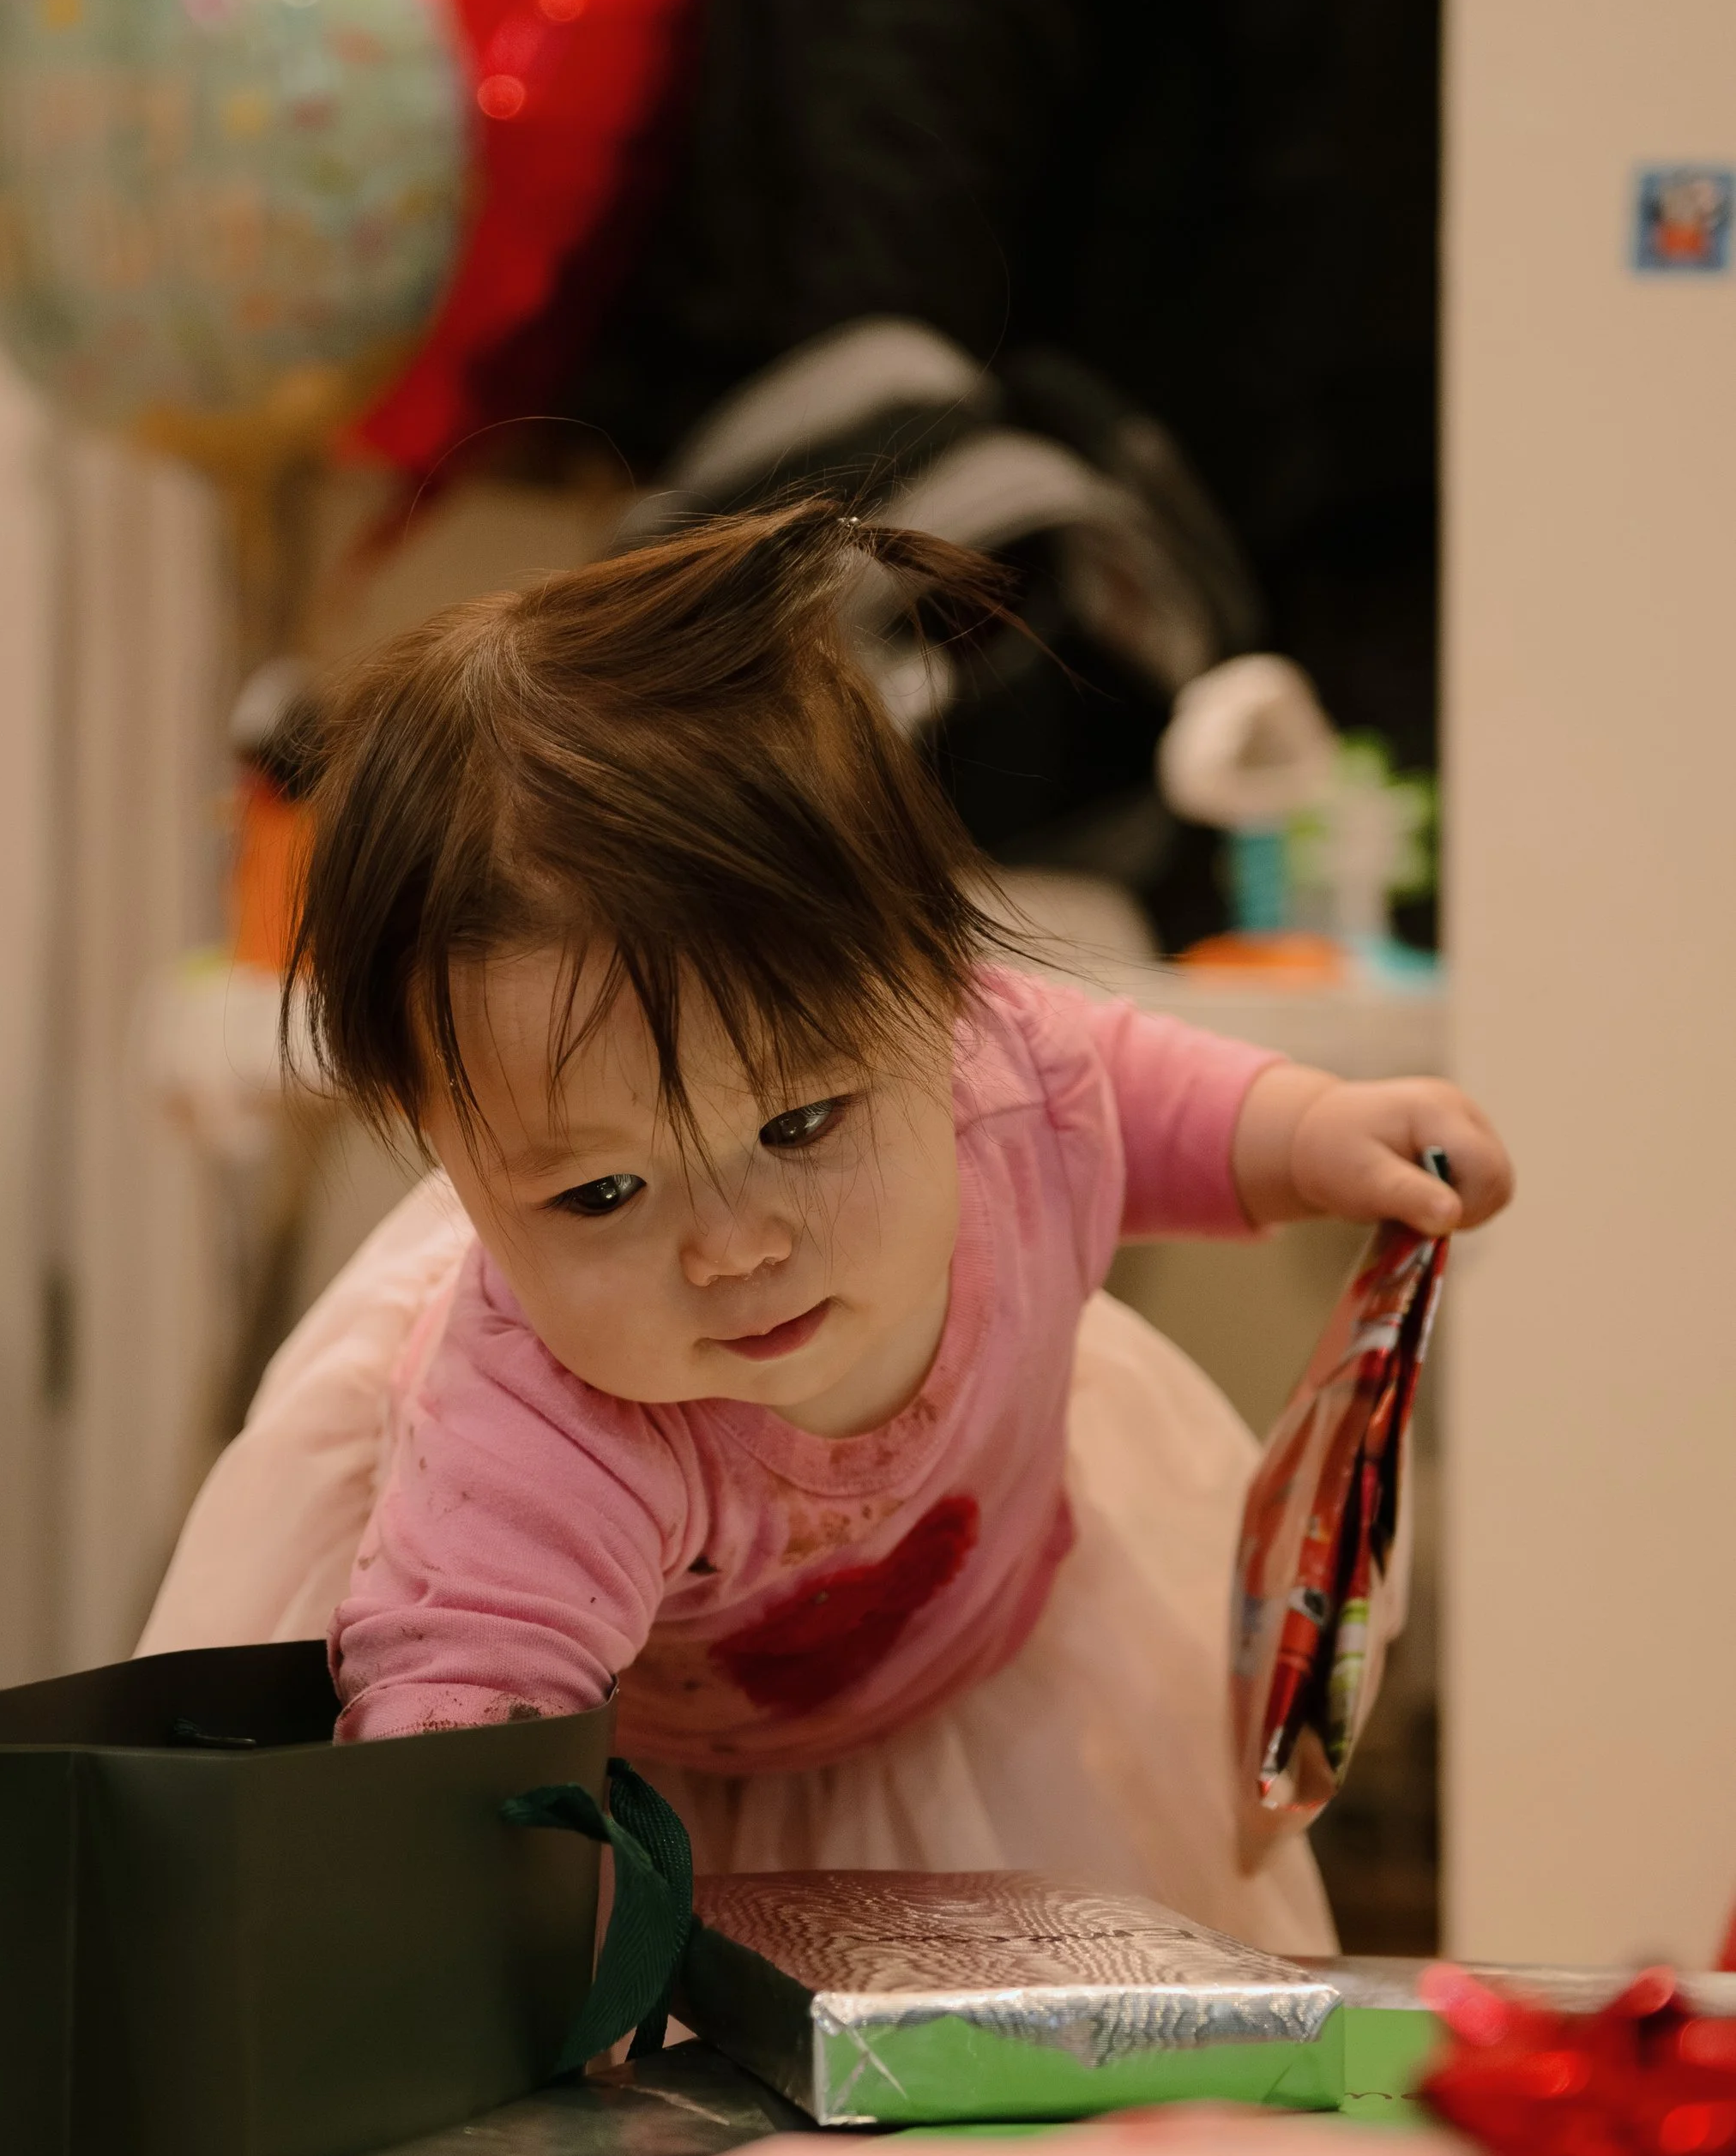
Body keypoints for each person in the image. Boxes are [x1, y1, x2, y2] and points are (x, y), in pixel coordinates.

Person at [142, 504, 1511, 1952]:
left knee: (1088, 2037)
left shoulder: (1010, 1083)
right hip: (655, 1773)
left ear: (937, 1003)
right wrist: (486, 1906)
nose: (732, 1248)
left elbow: (1136, 1093)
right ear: (456, 1162)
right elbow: (470, 1719)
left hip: (992, 1676)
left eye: (800, 1128)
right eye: (602, 1192)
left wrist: (1309, 1137)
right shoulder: (544, 1418)